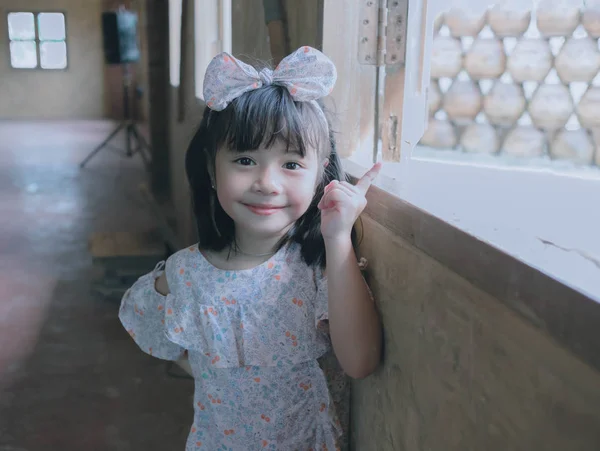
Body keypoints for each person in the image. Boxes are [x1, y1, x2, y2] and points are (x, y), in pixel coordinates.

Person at [119, 45, 382, 450]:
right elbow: (154, 332)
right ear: (211, 168)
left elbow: (360, 361)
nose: (267, 183)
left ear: (320, 175)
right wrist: (212, 367)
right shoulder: (186, 273)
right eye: (244, 160)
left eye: (291, 164)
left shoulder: (319, 266)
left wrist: (337, 237)